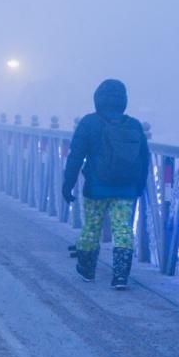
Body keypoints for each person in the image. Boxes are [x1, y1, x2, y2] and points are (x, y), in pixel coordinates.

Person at [62, 79, 150, 289]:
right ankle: (120, 275)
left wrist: (68, 184)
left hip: (96, 187)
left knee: (92, 227)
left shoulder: (89, 123)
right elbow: (144, 158)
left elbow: (76, 156)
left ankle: (87, 267)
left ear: (97, 99)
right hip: (126, 188)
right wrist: (139, 185)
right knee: (122, 228)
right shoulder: (134, 125)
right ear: (124, 101)